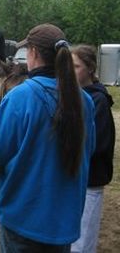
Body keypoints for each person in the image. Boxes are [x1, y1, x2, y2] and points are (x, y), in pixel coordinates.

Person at [0, 23, 96, 252]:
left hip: (23, 220)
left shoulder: (21, 97)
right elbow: (86, 151)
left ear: (32, 53)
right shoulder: (85, 101)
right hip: (64, 223)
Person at [71, 45, 115, 253]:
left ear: (90, 69)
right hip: (74, 179)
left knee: (83, 243)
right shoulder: (75, 96)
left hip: (90, 180)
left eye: (76, 66)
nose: (71, 70)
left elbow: (96, 144)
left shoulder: (98, 101)